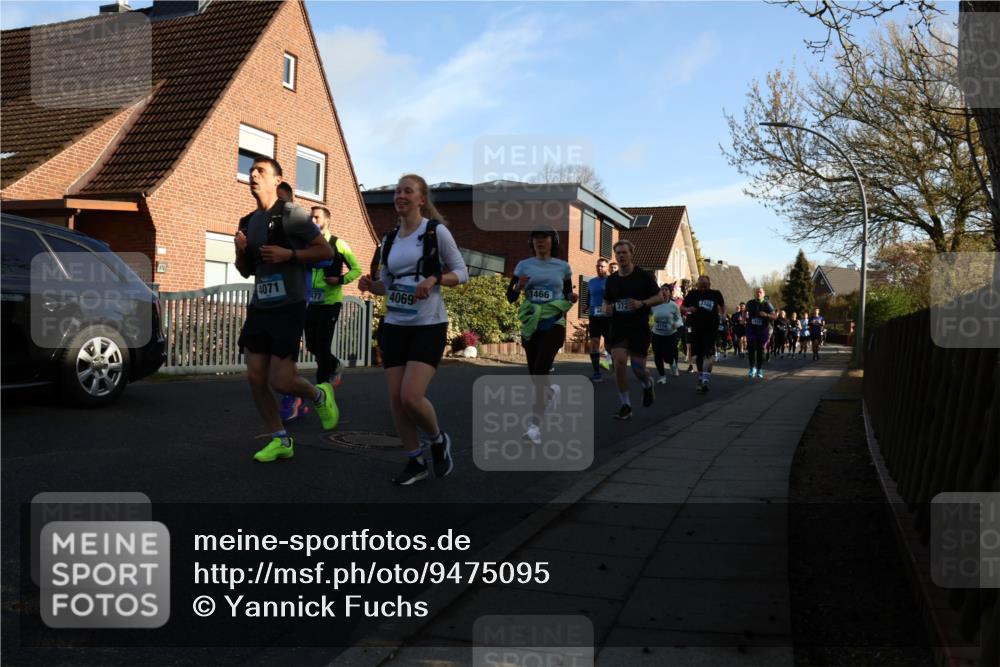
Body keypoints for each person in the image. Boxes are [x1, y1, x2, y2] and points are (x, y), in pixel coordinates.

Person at [358, 174, 468, 485]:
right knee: (396, 399)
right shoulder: (389, 239)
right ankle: (414, 460)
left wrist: (435, 279)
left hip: (428, 324)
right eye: (397, 191)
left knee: (411, 396)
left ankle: (437, 439)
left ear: (421, 199)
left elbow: (462, 272)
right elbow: (387, 286)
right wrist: (371, 285)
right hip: (395, 325)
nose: (400, 196)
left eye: (408, 191)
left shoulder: (435, 232)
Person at [233, 157, 339, 462]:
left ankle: (319, 394)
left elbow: (325, 251)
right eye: (251, 171)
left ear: (277, 180)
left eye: (261, 171)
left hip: (289, 307)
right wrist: (240, 252)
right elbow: (245, 271)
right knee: (255, 378)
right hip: (260, 306)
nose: (253, 174)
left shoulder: (292, 214)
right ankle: (280, 439)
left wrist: (288, 254)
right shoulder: (247, 222)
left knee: (281, 381)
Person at [507, 225, 575, 443]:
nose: (540, 241)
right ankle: (550, 393)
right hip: (531, 323)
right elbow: (510, 297)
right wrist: (518, 287)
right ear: (531, 242)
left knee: (539, 372)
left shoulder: (563, 267)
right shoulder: (523, 265)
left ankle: (534, 428)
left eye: (544, 238)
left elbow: (567, 293)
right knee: (535, 375)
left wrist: (571, 297)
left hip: (554, 322)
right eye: (536, 238)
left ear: (552, 241)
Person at [603, 240, 663, 420]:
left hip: (639, 328)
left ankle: (647, 383)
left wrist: (641, 303)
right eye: (618, 253)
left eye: (624, 252)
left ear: (631, 254)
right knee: (619, 363)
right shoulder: (612, 280)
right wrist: (606, 307)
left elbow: (660, 297)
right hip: (619, 327)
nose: (621, 256)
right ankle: (626, 405)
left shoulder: (643, 276)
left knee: (638, 369)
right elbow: (606, 300)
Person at [681, 274, 726, 393]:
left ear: (709, 284)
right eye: (701, 285)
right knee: (699, 356)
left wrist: (723, 314)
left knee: (709, 355)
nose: (703, 287)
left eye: (705, 285)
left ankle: (705, 380)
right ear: (697, 285)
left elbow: (722, 305)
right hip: (696, 328)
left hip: (710, 329)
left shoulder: (716, 293)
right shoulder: (692, 294)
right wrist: (688, 309)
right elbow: (682, 307)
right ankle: (701, 377)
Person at [650, 282, 684, 383]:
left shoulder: (674, 306)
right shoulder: (654, 305)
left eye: (666, 289)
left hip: (670, 334)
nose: (664, 291)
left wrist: (676, 324)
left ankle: (672, 363)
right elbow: (648, 315)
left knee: (668, 357)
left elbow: (679, 320)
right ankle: (662, 376)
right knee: (657, 355)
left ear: (670, 293)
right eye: (662, 289)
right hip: (656, 333)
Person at [586, 259, 612, 382]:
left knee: (609, 345)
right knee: (594, 342)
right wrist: (586, 306)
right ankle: (597, 373)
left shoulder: (611, 281)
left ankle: (610, 361)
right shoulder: (591, 282)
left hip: (608, 317)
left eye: (602, 266)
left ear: (607, 268)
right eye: (598, 266)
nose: (599, 268)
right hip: (594, 316)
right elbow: (588, 296)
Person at [745, 287, 776, 380]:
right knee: (751, 348)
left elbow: (774, 316)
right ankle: (752, 368)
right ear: (755, 293)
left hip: (762, 330)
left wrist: (766, 315)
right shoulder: (750, 303)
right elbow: (744, 311)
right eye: (757, 292)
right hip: (751, 329)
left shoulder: (767, 304)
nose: (758, 293)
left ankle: (759, 369)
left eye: (760, 292)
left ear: (763, 294)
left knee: (760, 350)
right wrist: (743, 319)